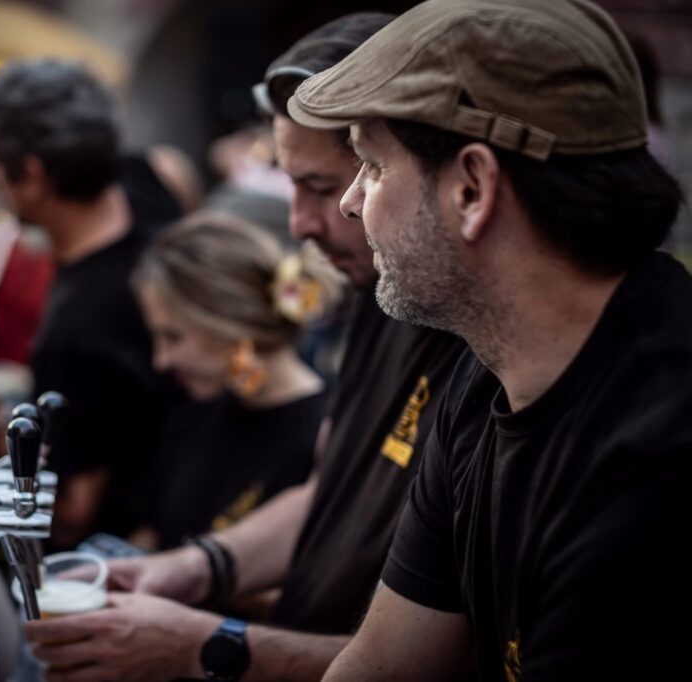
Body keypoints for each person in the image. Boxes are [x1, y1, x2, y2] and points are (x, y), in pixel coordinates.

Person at [22, 14, 467, 681]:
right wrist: (191, 569)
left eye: (327, 185)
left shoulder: (475, 352)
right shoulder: (384, 297)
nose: (300, 223)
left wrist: (203, 643)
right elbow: (327, 492)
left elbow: (437, 665)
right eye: (292, 184)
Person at [281, 0, 691, 679]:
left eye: (372, 166)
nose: (352, 203)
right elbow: (384, 664)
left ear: (472, 189)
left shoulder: (655, 454)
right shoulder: (490, 371)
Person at [0, 59, 179, 549]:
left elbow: (70, 513)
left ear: (30, 176)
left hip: (115, 554)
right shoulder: (143, 185)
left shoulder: (78, 329)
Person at [130, 211, 340, 550]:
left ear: (230, 322)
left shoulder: (325, 436)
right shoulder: (193, 414)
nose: (161, 360)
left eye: (172, 337)